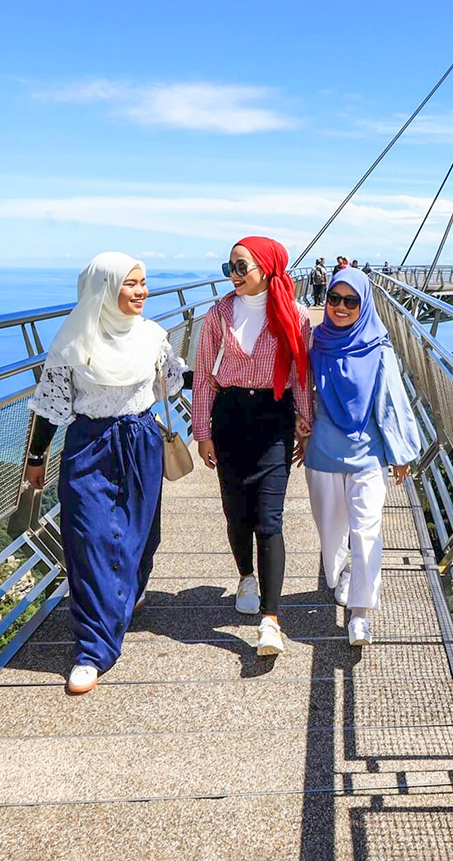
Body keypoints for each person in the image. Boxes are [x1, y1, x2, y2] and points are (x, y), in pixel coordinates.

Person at [25, 252, 185, 694]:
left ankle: (121, 603)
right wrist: (36, 458)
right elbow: (49, 407)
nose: (141, 292)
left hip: (141, 442)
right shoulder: (72, 342)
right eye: (130, 283)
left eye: (143, 282)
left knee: (139, 537)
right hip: (88, 446)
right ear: (103, 289)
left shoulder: (154, 336)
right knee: (89, 539)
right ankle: (92, 649)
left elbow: (173, 382)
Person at [193, 237, 312, 656]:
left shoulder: (294, 315)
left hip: (272, 415)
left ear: (268, 268)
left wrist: (304, 421)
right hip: (229, 415)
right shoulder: (218, 314)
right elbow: (204, 371)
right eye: (230, 268)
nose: (234, 276)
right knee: (236, 510)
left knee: (270, 518)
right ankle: (246, 575)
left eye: (242, 267)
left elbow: (300, 372)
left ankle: (271, 619)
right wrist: (202, 431)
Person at [301, 267, 423, 646]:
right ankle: (341, 575)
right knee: (331, 530)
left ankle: (361, 614)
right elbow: (300, 387)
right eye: (334, 299)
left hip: (368, 455)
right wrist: (298, 420)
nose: (340, 307)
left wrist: (399, 452)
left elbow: (390, 403)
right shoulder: (316, 341)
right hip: (322, 451)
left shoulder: (378, 347)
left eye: (350, 301)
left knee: (367, 532)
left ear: (364, 303)